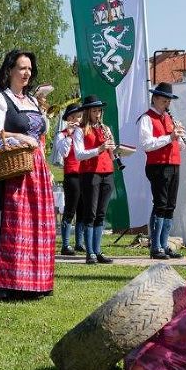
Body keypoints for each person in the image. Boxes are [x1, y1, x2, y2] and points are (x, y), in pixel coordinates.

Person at [0, 50, 55, 299]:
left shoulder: (32, 102)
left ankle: (34, 283)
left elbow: (41, 136)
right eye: (22, 68)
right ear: (9, 70)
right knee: (14, 226)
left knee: (36, 226)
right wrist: (19, 136)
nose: (26, 73)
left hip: (37, 170)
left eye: (29, 69)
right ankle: (8, 284)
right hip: (13, 168)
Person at [137, 82, 185, 259]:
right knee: (161, 204)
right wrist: (169, 137)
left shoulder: (169, 118)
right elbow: (146, 144)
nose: (167, 104)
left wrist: (179, 138)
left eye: (169, 101)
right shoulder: (146, 118)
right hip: (158, 166)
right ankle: (156, 246)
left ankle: (165, 245)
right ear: (155, 98)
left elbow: (178, 146)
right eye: (164, 100)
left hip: (173, 164)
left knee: (170, 205)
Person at [73, 95, 116, 265]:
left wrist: (113, 148)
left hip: (107, 172)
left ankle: (98, 251)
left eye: (99, 111)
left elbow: (111, 155)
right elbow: (79, 154)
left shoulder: (105, 128)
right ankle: (89, 252)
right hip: (90, 173)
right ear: (87, 112)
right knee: (90, 213)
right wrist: (99, 149)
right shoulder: (80, 130)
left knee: (101, 213)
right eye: (94, 111)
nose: (98, 114)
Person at [53, 102, 84, 256]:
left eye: (80, 116)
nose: (80, 119)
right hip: (72, 174)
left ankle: (79, 242)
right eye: (77, 116)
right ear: (70, 118)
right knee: (70, 209)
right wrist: (70, 134)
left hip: (85, 173)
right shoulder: (62, 134)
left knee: (83, 209)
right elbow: (64, 153)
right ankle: (65, 244)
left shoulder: (83, 132)